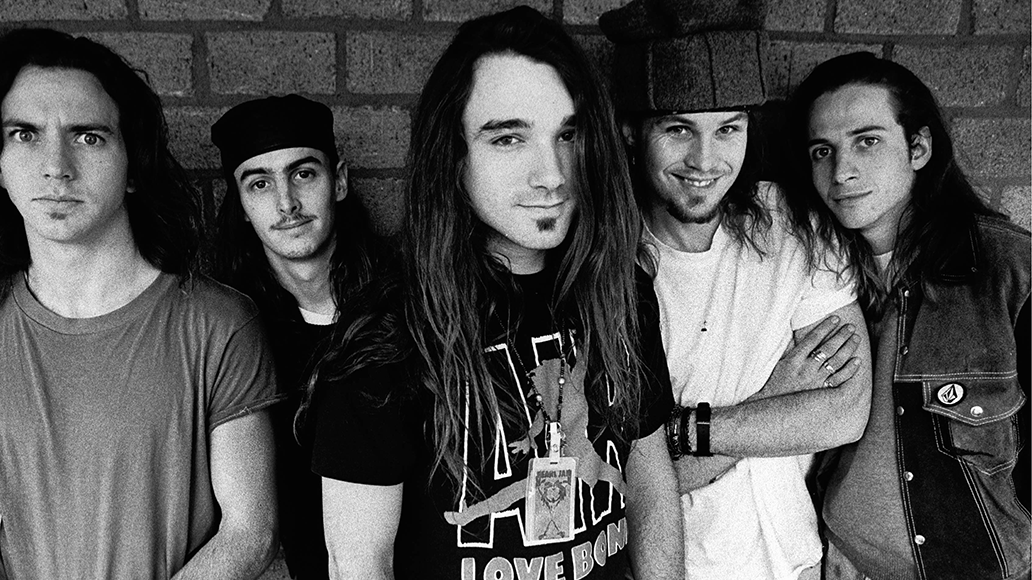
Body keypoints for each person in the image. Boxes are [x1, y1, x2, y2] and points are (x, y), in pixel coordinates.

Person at [308, 6, 683, 579]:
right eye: (509, 138)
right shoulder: (388, 334)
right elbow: (359, 562)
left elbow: (650, 484)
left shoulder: (619, 291)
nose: (552, 174)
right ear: (454, 157)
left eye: (568, 134)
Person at [0, 28, 280, 579]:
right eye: (24, 134)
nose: (56, 166)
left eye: (88, 136)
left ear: (133, 165)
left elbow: (249, 532)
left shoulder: (217, 324)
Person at [601, 1, 873, 578]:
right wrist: (776, 398)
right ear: (630, 132)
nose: (706, 161)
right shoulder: (602, 266)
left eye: (728, 129)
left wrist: (680, 432)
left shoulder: (793, 225)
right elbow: (620, 482)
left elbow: (845, 411)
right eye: (678, 129)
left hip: (792, 564)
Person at [790, 51, 1030, 580]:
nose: (842, 172)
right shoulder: (817, 273)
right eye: (822, 151)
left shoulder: (1008, 268)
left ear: (918, 147)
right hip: (838, 562)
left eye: (867, 141)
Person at [211, 94, 385, 580]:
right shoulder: (233, 336)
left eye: (303, 173)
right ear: (241, 206)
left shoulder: (405, 307)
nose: (286, 202)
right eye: (260, 183)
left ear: (339, 181)